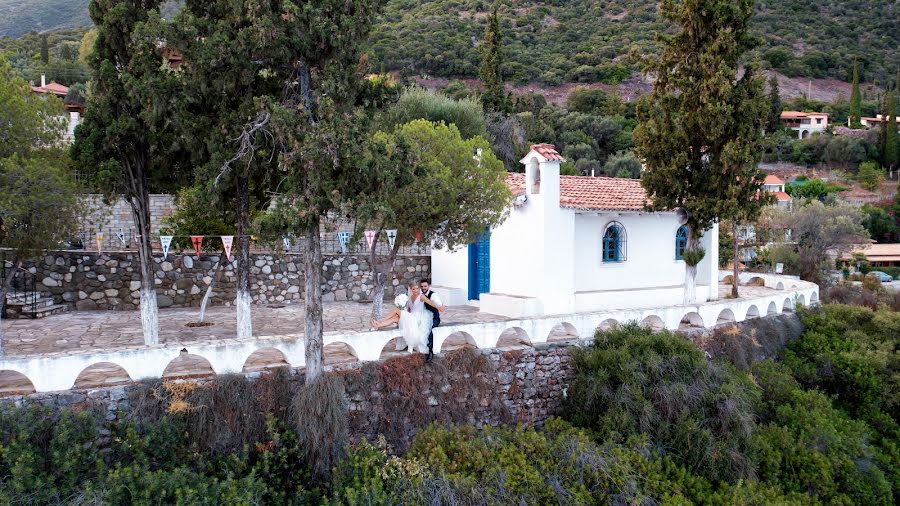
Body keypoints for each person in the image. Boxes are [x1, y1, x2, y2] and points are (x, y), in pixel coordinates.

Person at [419, 278, 446, 362]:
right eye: (422, 286)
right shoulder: (420, 295)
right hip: (424, 318)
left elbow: (440, 306)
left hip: (434, 318)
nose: (423, 288)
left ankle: (430, 352)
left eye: (425, 286)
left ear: (429, 286)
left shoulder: (433, 295)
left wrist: (441, 306)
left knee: (429, 330)